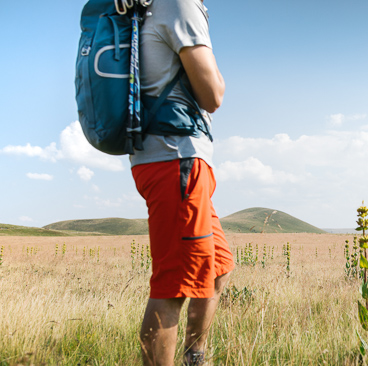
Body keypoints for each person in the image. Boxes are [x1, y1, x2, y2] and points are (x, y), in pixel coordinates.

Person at [129, 1, 234, 365]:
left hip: (172, 159)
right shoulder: (178, 5)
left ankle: (194, 357)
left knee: (218, 266)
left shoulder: (148, 7)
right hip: (176, 160)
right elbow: (213, 94)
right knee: (173, 286)